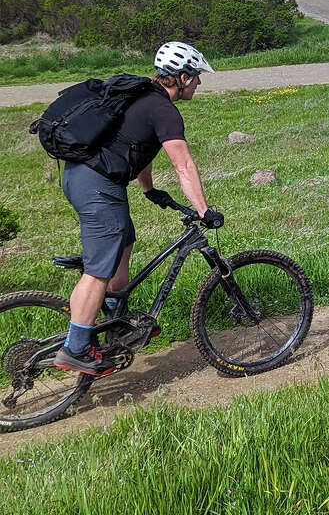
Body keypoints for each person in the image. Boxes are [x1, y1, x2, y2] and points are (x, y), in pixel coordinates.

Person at [52, 41, 223, 377]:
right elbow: (183, 165)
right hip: (97, 185)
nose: (200, 83)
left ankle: (115, 322)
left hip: (82, 177)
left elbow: (138, 145)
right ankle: (75, 348)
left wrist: (149, 188)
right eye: (198, 76)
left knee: (124, 241)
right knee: (99, 269)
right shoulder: (164, 110)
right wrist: (203, 210)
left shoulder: (143, 95)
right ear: (184, 77)